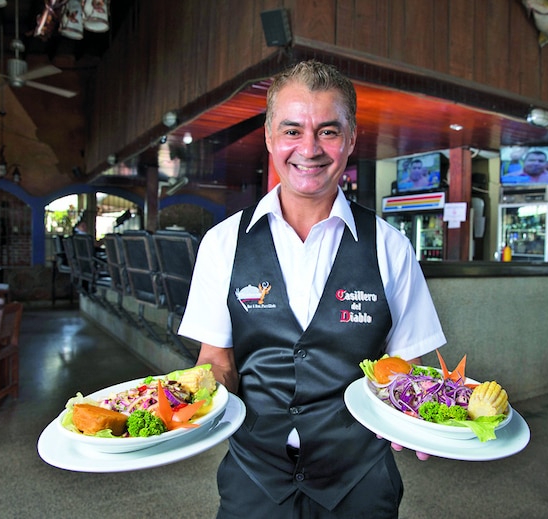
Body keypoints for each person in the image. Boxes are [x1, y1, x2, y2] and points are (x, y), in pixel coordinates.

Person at [178, 60, 446, 518]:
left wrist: (418, 413)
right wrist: (184, 405)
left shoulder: (390, 247)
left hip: (360, 481)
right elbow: (217, 361)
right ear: (269, 137)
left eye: (328, 131)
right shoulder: (222, 243)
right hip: (253, 480)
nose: (309, 148)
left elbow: (406, 367)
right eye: (292, 130)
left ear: (351, 138)